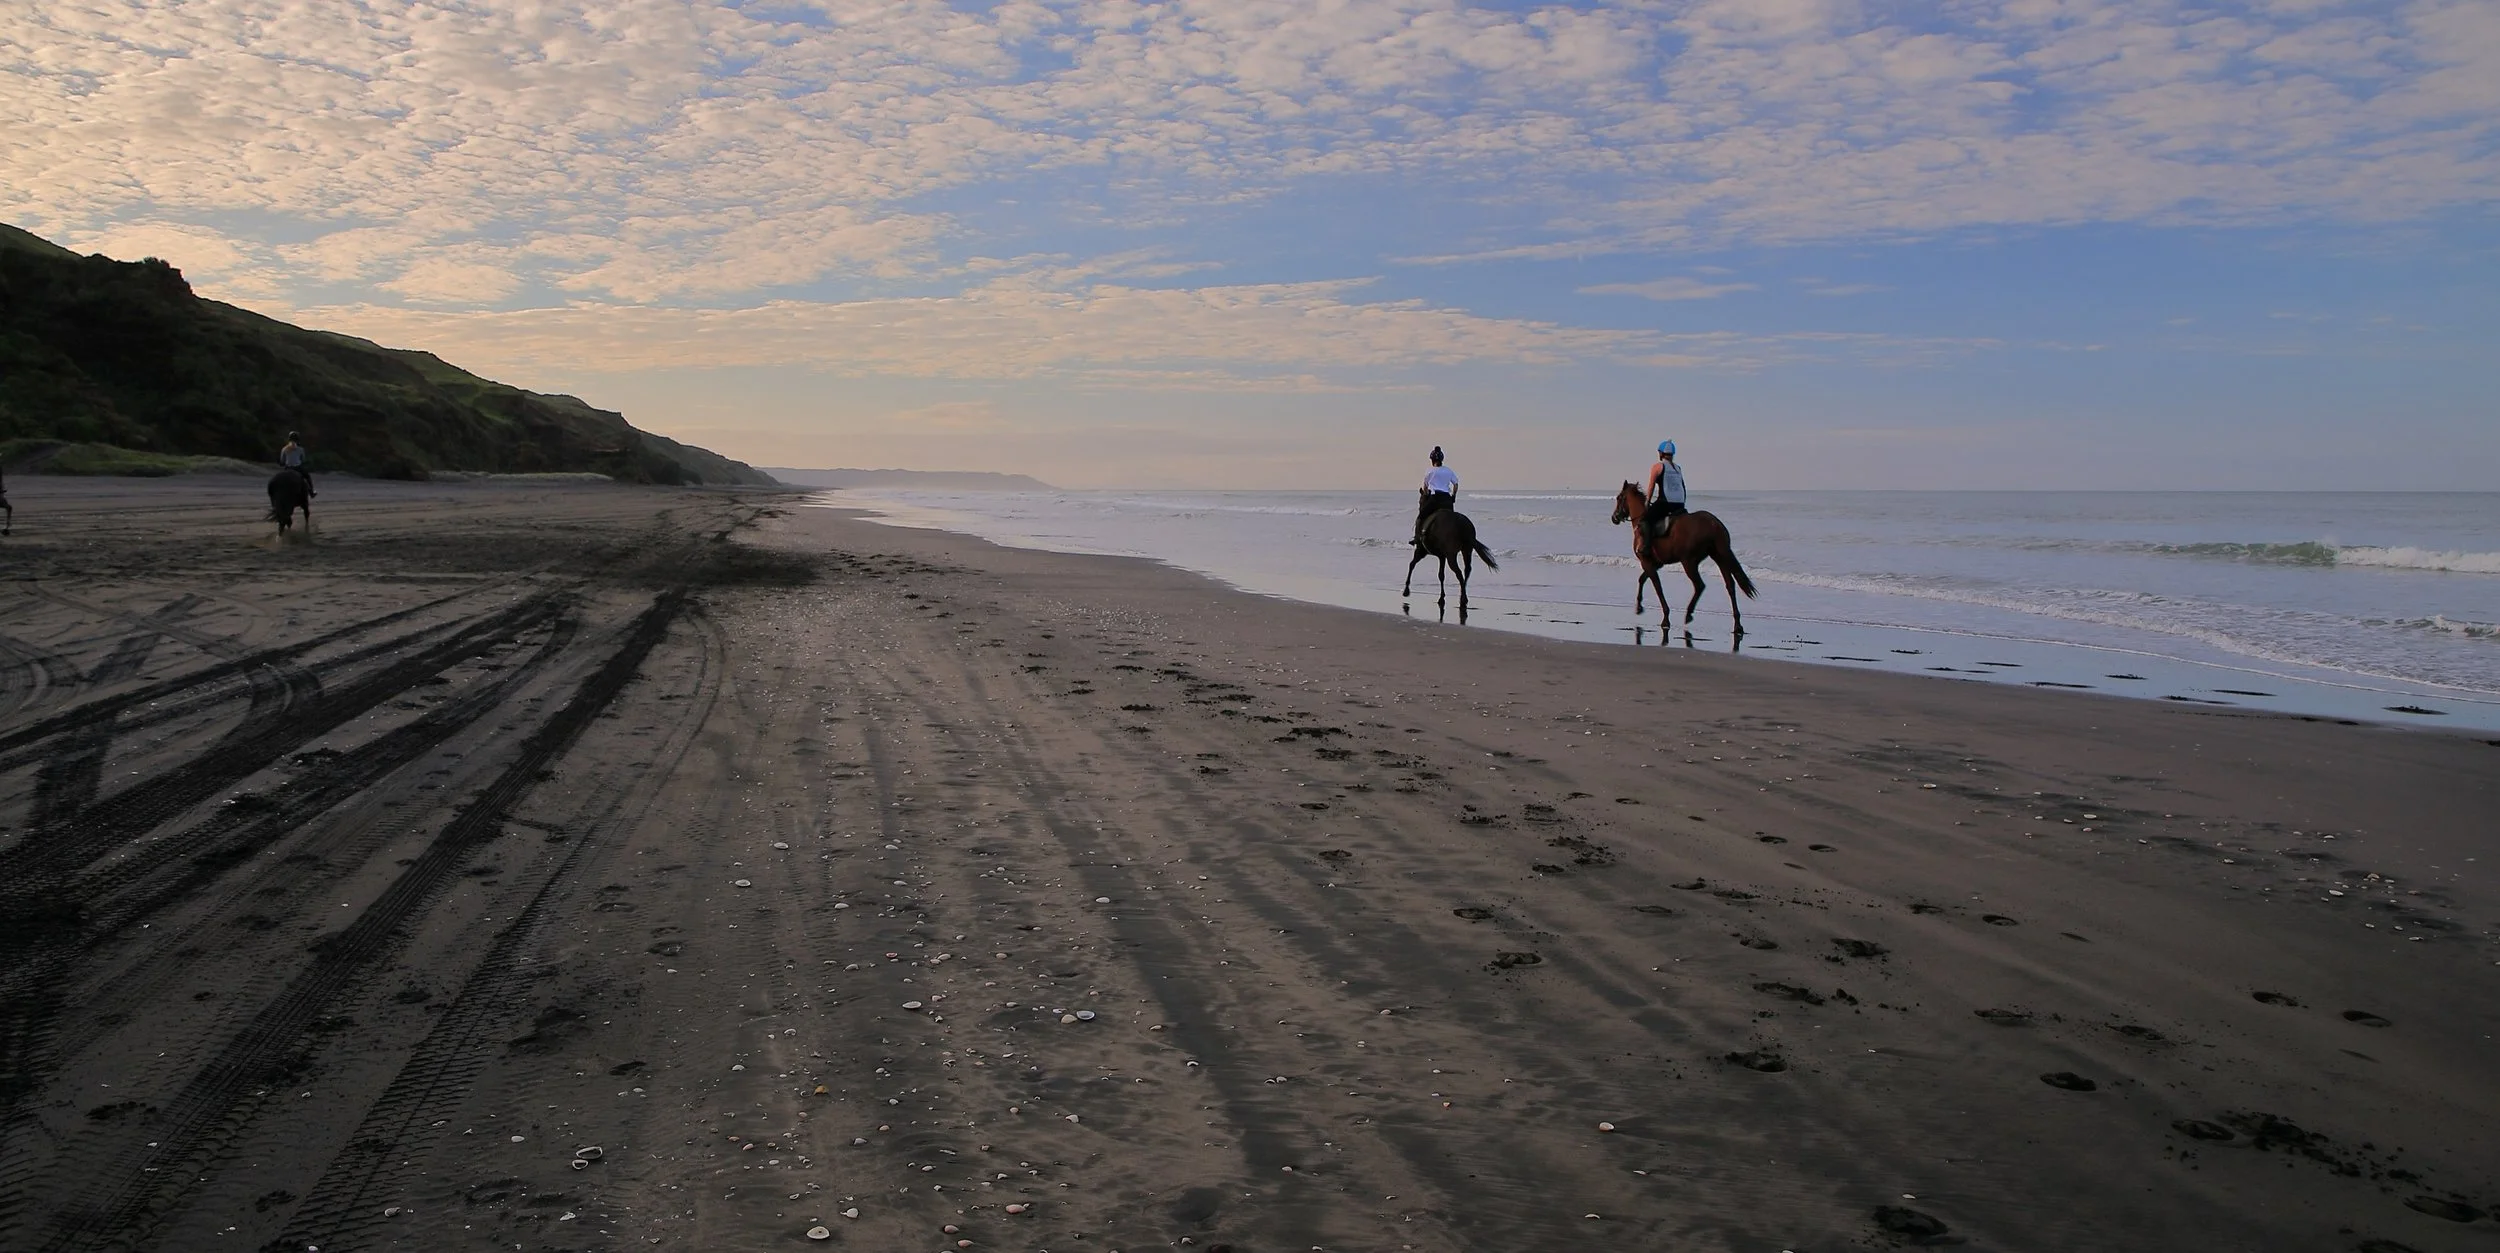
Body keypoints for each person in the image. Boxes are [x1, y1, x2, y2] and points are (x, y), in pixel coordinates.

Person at [1642, 439, 1686, 542]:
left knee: (1645, 521)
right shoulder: (1678, 468)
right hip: (1680, 504)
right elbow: (1683, 487)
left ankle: (1647, 546)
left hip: (1665, 503)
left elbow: (1651, 486)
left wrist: (1647, 502)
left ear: (1661, 453)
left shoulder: (1658, 467)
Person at [1415, 445, 1457, 546]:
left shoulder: (1429, 471)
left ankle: (1417, 538)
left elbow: (1425, 487)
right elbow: (1455, 484)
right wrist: (1453, 496)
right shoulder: (1448, 471)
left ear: (1432, 459)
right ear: (1442, 459)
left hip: (1434, 499)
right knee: (1452, 519)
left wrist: (1426, 495)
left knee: (1421, 516)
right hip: (1447, 500)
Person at [279, 430, 313, 497]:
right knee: (307, 477)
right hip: (298, 468)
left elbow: (282, 461)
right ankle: (311, 492)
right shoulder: (300, 449)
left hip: (288, 468)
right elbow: (303, 460)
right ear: (297, 439)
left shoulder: (284, 449)